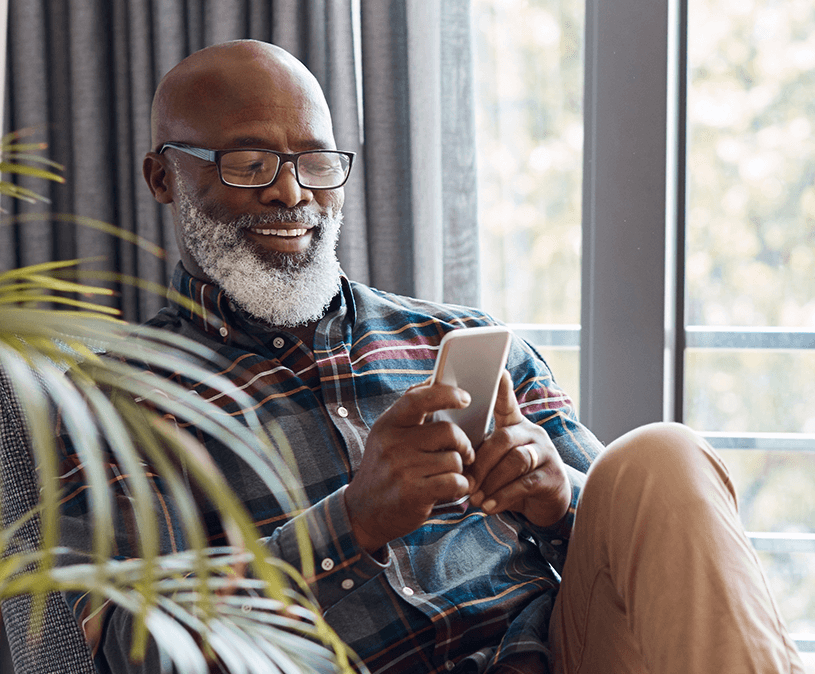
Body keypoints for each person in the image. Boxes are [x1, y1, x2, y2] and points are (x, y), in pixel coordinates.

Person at [58, 39, 805, 673]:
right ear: (164, 177)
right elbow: (123, 647)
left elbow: (637, 540)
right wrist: (349, 522)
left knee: (659, 457)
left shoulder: (458, 338)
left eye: (314, 162)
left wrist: (554, 495)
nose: (291, 193)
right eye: (248, 163)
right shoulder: (114, 399)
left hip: (553, 652)